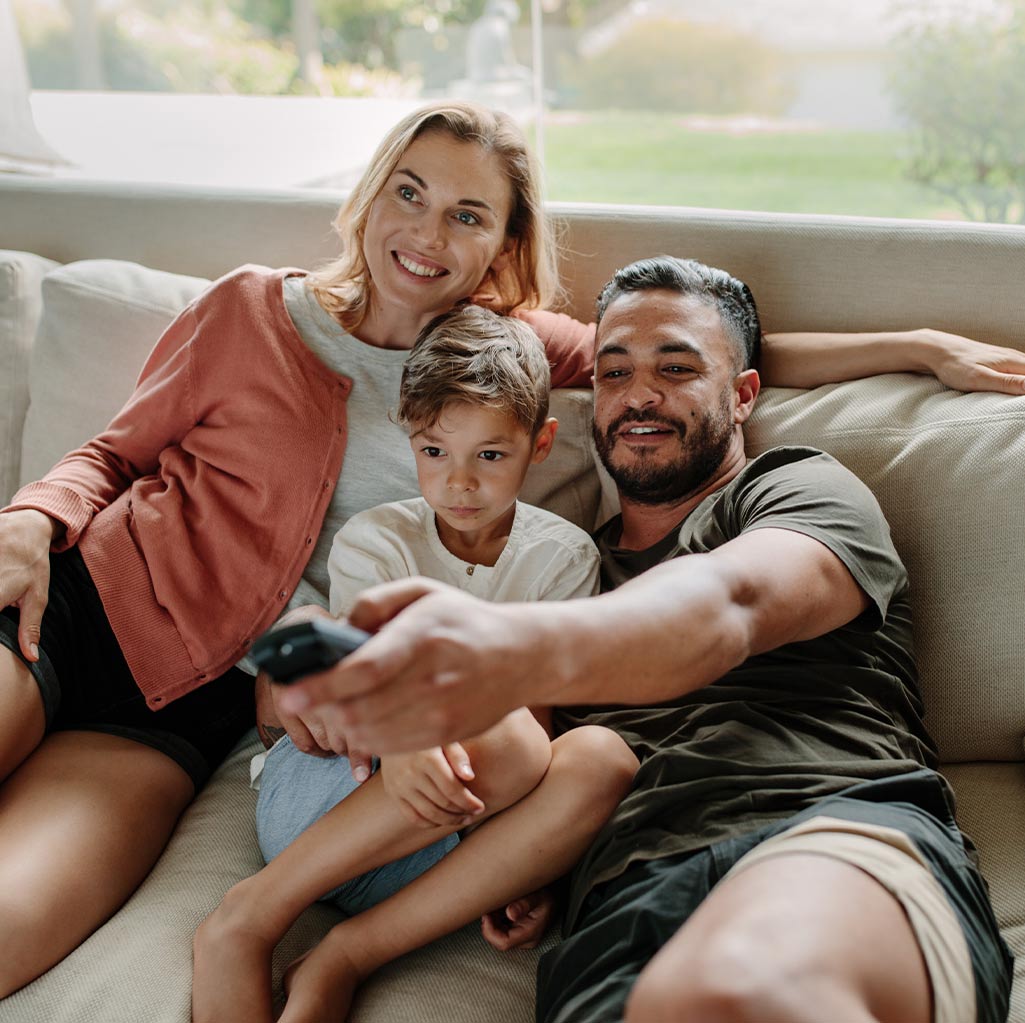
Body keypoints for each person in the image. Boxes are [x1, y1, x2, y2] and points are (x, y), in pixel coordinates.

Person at [0, 95, 1020, 995]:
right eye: (408, 192)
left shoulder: (515, 351)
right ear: (368, 196)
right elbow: (113, 452)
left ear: (500, 246)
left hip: (182, 705)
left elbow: (699, 353)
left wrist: (916, 346)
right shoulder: (250, 310)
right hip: (75, 608)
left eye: (466, 214)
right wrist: (28, 522)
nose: (427, 232)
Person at [278, 256, 1013, 1023]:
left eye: (676, 367)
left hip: (821, 827)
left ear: (742, 395)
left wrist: (502, 644)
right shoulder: (560, 568)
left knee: (734, 988)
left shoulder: (795, 489)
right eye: (613, 371)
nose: (638, 394)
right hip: (619, 903)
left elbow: (725, 605)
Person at [192, 304, 637, 1022]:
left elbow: (535, 738)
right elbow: (369, 684)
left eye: (489, 455)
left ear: (541, 442)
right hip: (334, 794)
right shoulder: (377, 540)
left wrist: (529, 862)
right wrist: (408, 739)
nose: (458, 483)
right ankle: (248, 916)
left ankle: (346, 953)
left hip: (447, 836)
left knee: (602, 758)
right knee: (489, 720)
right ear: (410, 442)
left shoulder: (562, 557)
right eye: (435, 452)